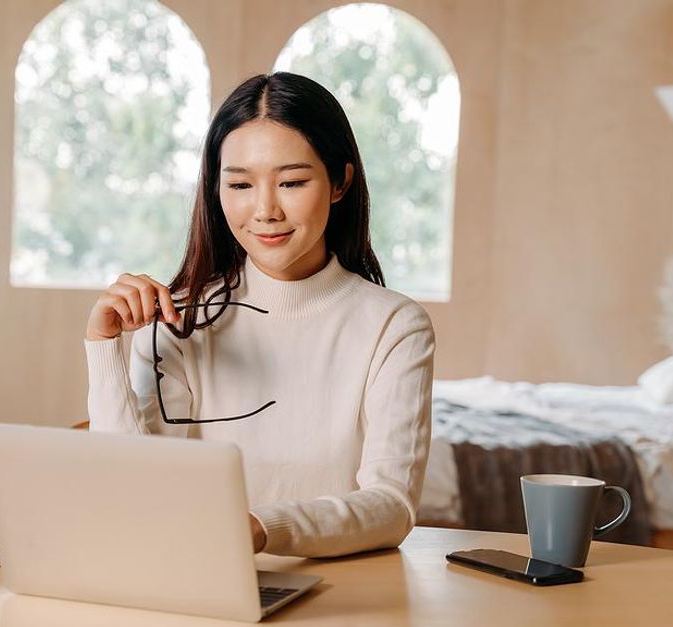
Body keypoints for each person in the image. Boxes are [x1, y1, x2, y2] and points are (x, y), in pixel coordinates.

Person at [84, 71, 435, 558]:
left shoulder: (394, 327)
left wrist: (260, 527)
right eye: (241, 184)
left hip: (340, 600)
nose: (265, 210)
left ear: (339, 183)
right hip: (200, 583)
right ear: (216, 189)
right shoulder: (177, 319)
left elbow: (392, 505)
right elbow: (128, 490)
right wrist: (104, 349)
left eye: (291, 181)